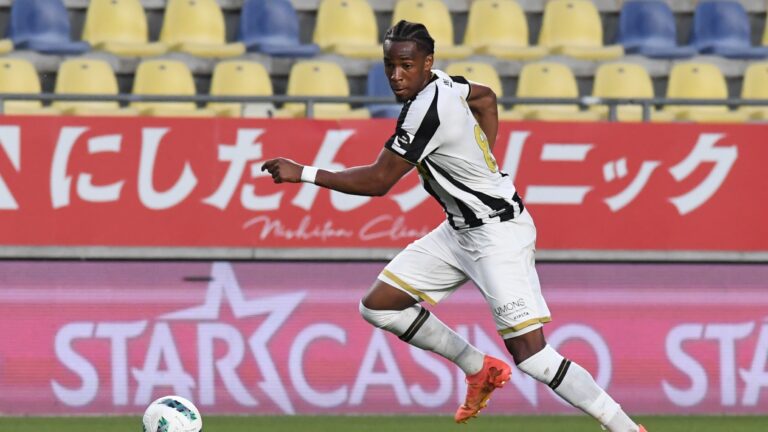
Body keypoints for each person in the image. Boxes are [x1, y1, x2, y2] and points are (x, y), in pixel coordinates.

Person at [262, 20, 647, 432]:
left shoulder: (427, 110)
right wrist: (485, 163)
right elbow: (485, 97)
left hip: (497, 235)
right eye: (390, 65)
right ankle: (478, 368)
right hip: (459, 231)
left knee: (534, 357)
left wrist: (302, 172)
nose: (396, 75)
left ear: (427, 63)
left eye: (406, 65)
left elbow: (378, 181)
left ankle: (624, 427)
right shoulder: (445, 83)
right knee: (378, 306)